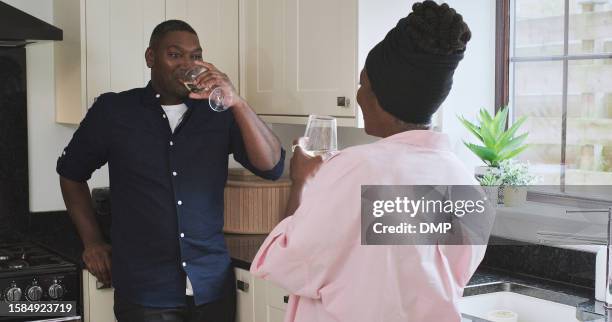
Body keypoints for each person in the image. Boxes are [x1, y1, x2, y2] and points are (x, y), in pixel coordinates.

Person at [250, 2, 486, 321]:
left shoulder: (356, 170)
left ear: (379, 95)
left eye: (363, 84)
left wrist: (303, 181)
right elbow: (419, 272)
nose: (359, 95)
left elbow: (286, 264)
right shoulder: (464, 181)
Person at [57, 20, 285, 322]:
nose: (187, 65)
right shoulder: (114, 111)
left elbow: (272, 167)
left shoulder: (219, 113)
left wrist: (237, 102)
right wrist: (93, 242)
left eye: (195, 56)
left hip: (212, 287)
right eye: (175, 55)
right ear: (151, 57)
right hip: (145, 291)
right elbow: (71, 173)